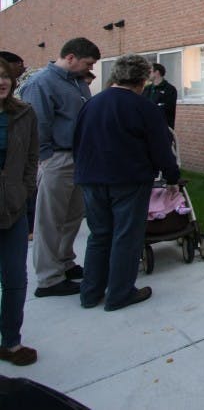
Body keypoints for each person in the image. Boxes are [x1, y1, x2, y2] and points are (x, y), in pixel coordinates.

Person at [73, 54, 180, 311]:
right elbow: (161, 148)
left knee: (99, 235)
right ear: (142, 80)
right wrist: (172, 176)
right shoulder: (145, 108)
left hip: (91, 179)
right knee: (126, 237)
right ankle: (120, 293)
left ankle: (90, 293)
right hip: (128, 180)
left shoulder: (92, 104)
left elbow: (76, 141)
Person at [19, 37, 101, 298]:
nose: (90, 69)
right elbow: (38, 124)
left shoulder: (77, 83)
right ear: (71, 58)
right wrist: (46, 158)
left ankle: (64, 262)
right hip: (57, 159)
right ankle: (48, 278)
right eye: (88, 63)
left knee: (73, 215)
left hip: (79, 159)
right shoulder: (41, 83)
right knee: (50, 220)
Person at [0, 57, 39, 366]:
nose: (1, 81)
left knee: (16, 278)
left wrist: (25, 190)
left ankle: (11, 342)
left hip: (12, 209)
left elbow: (30, 156)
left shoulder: (24, 113)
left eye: (4, 76)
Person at [142, 63, 177, 129]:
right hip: (147, 128)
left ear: (157, 72)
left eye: (150, 72)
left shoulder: (170, 89)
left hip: (163, 128)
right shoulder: (146, 89)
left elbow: (167, 109)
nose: (147, 74)